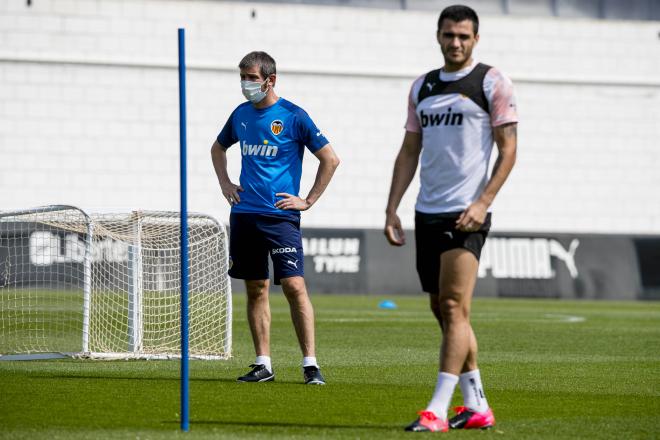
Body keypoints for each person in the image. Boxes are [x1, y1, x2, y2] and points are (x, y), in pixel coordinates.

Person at [384, 5, 518, 432]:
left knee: (456, 306)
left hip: (467, 214)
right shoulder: (422, 87)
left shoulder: (491, 82)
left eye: (463, 36)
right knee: (442, 310)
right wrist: (392, 207)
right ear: (438, 36)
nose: (455, 42)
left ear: (475, 39)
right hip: (427, 211)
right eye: (448, 35)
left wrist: (483, 202)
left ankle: (437, 409)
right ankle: (477, 405)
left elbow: (508, 149)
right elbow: (409, 150)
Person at [211, 51, 340, 385]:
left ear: (270, 80)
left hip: (280, 218)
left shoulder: (294, 116)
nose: (246, 83)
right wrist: (226, 183)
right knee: (256, 289)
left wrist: (308, 200)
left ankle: (310, 364)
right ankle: (262, 364)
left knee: (295, 287)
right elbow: (217, 148)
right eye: (243, 76)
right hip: (244, 215)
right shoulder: (240, 115)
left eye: (252, 77)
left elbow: (330, 159)